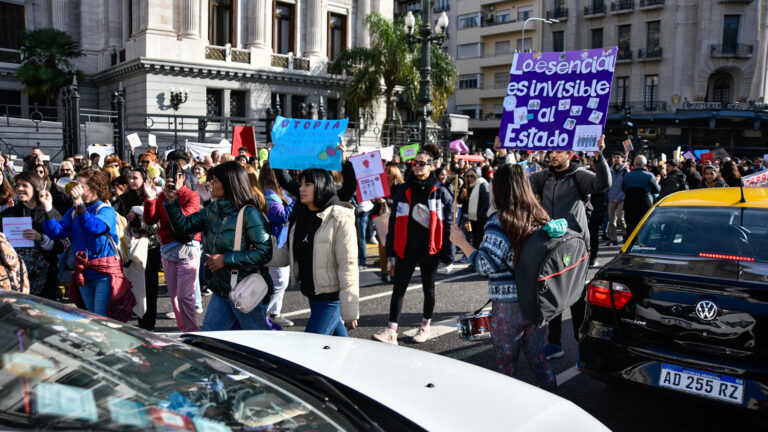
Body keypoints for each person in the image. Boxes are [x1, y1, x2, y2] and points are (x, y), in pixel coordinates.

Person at [449, 163, 558, 392]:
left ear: (500, 189)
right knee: (539, 359)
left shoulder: (500, 221)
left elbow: (485, 264)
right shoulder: (541, 215)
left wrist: (461, 242)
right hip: (538, 302)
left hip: (509, 305)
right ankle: (554, 399)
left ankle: (509, 413)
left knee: (507, 366)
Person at [164, 161, 274, 331]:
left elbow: (264, 252)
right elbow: (184, 227)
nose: (211, 184)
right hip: (221, 289)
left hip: (245, 289)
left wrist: (226, 259)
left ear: (229, 183)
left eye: (215, 180)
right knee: (210, 339)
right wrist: (172, 201)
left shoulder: (249, 213)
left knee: (257, 344)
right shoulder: (213, 209)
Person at [528, 136, 610, 360]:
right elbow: (520, 184)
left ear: (569, 154)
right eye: (551, 151)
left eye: (558, 151)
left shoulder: (579, 175)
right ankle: (554, 344)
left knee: (576, 298)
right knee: (551, 292)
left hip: (574, 248)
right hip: (551, 247)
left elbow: (603, 184)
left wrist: (598, 156)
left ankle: (582, 346)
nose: (553, 155)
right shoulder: (542, 177)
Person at [372, 144, 454, 345]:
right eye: (414, 163)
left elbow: (449, 225)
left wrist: (449, 255)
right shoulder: (403, 189)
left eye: (421, 163)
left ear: (431, 167)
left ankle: (425, 327)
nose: (417, 166)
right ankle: (392, 330)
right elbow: (392, 221)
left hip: (430, 248)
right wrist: (390, 248)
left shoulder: (441, 192)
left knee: (429, 289)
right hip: (405, 246)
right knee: (398, 288)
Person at [267, 168, 359, 336]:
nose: (301, 188)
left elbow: (348, 266)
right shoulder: (300, 213)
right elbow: (287, 254)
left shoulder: (339, 217)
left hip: (331, 298)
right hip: (312, 292)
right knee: (339, 346)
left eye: (307, 184)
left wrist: (350, 310)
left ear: (322, 186)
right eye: (301, 184)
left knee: (310, 346)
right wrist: (259, 254)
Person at [42, 169, 132, 318]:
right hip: (84, 271)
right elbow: (56, 233)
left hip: (104, 272)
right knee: (91, 316)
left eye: (80, 185)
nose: (75, 188)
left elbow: (93, 228)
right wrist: (48, 208)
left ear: (94, 188)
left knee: (100, 316)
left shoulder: (106, 210)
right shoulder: (73, 211)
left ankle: (105, 340)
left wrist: (79, 203)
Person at [144, 161, 202, 332]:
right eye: (169, 177)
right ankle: (184, 330)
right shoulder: (161, 195)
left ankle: (192, 332)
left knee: (185, 296)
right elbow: (150, 220)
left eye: (176, 176)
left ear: (183, 177)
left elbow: (184, 221)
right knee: (175, 296)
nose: (172, 181)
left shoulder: (192, 196)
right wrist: (150, 199)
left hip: (188, 247)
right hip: (168, 248)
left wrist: (172, 199)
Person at [0, 172, 65, 298]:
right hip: (15, 277)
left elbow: (62, 245)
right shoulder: (9, 213)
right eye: (18, 185)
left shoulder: (49, 212)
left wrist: (40, 238)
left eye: (24, 186)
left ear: (36, 188)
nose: (19, 189)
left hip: (45, 277)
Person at [115, 166, 161, 331]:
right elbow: (118, 222)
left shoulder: (153, 197)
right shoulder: (123, 198)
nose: (132, 181)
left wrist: (138, 221)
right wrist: (126, 220)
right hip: (129, 247)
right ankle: (131, 318)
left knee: (149, 287)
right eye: (131, 178)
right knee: (131, 284)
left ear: (144, 180)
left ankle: (148, 324)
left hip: (150, 248)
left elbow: (155, 227)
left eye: (136, 178)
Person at [259, 162, 295, 328]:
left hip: (281, 242)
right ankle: (261, 312)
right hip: (275, 243)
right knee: (279, 282)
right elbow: (280, 216)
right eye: (283, 172)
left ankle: (275, 313)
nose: (286, 175)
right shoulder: (269, 193)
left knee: (280, 282)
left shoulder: (278, 192)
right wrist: (296, 202)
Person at [623, 155, 661, 237]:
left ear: (634, 164)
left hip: (630, 206)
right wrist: (657, 181)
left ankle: (630, 246)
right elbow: (657, 190)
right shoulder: (649, 176)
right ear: (645, 165)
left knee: (631, 229)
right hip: (644, 206)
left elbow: (623, 189)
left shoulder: (627, 176)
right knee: (644, 229)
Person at [606, 152, 628, 246]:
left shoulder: (626, 171)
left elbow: (627, 186)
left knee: (620, 219)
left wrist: (620, 197)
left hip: (621, 199)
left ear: (622, 159)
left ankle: (625, 235)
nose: (616, 159)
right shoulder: (610, 170)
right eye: (615, 157)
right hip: (611, 198)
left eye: (618, 157)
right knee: (611, 220)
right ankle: (613, 239)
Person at [465, 167, 490, 249]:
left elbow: (487, 201)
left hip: (481, 219)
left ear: (477, 175)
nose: (469, 178)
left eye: (472, 176)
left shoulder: (482, 184)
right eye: (468, 176)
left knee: (480, 239)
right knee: (475, 239)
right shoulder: (471, 186)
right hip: (474, 218)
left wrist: (479, 214)